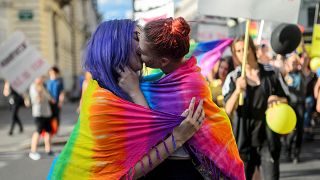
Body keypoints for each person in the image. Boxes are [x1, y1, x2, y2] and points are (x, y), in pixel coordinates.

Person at [47, 19, 207, 180]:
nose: (144, 43)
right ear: (115, 44)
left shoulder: (144, 86)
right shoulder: (101, 103)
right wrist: (177, 138)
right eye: (137, 37)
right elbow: (124, 175)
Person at [119, 17, 243, 179]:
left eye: (142, 53)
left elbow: (152, 131)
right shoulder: (164, 78)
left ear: (163, 61)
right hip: (161, 164)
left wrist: (135, 91)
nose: (139, 55)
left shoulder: (189, 85)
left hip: (182, 169)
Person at [222, 35, 289, 180]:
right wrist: (237, 91)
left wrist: (277, 98)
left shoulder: (272, 73)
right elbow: (227, 110)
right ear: (235, 55)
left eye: (245, 48)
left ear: (252, 49)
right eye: (238, 51)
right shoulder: (233, 78)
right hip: (243, 141)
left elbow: (287, 99)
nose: (243, 53)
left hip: (268, 139)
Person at [283, 53, 306, 163]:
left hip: (300, 105)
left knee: (300, 130)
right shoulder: (285, 75)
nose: (294, 64)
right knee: (291, 131)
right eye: (292, 62)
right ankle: (287, 150)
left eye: (295, 62)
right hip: (290, 106)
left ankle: (296, 154)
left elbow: (305, 58)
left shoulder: (301, 73)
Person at [29, 76, 54, 160]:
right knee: (38, 131)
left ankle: (48, 150)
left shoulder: (43, 86)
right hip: (38, 113)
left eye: (42, 77)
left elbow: (48, 97)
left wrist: (51, 99)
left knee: (48, 131)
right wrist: (39, 93)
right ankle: (33, 151)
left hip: (46, 112)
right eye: (39, 77)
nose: (41, 79)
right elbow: (36, 100)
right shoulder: (33, 87)